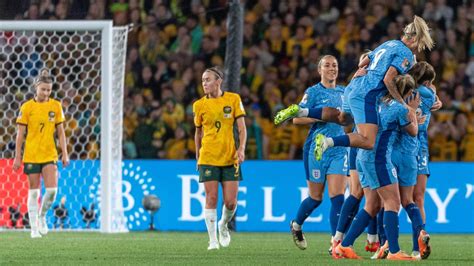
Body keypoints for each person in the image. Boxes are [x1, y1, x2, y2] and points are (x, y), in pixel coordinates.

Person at [274, 16, 434, 161]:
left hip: (355, 84)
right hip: (367, 94)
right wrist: (402, 103)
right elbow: (388, 79)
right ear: (414, 39)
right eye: (420, 44)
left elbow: (362, 62)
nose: (419, 49)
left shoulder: (389, 44)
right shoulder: (404, 52)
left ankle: (301, 111)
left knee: (342, 118)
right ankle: (327, 142)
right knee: (368, 140)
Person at [334, 74, 420, 260]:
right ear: (408, 92)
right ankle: (395, 252)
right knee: (393, 203)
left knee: (372, 205)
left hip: (362, 156)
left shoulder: (376, 101)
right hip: (379, 158)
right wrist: (411, 110)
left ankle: (344, 245)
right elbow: (413, 132)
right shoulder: (400, 108)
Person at [287, 55, 347, 251]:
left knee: (338, 197)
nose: (332, 68)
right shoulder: (312, 92)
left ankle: (335, 242)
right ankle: (296, 225)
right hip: (316, 150)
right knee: (315, 198)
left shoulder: (345, 92)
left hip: (338, 148)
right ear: (319, 70)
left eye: (335, 65)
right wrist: (319, 117)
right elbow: (296, 119)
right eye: (327, 65)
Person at [193, 67, 247, 250]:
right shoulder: (199, 105)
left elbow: (242, 129)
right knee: (211, 197)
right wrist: (197, 156)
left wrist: (241, 149)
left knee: (231, 202)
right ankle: (212, 241)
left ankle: (223, 225)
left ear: (219, 81)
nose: (204, 83)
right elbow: (198, 132)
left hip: (230, 157)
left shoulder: (233, 99)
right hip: (208, 156)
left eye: (207, 79)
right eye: (202, 80)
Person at [13, 69, 69, 238]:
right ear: (36, 87)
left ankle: (42, 216)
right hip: (31, 154)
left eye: (49, 90)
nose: (46, 92)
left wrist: (64, 153)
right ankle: (34, 228)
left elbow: (61, 132)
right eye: (43, 89)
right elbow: (20, 135)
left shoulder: (56, 106)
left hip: (50, 154)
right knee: (34, 192)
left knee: (52, 191)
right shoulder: (27, 107)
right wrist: (17, 157)